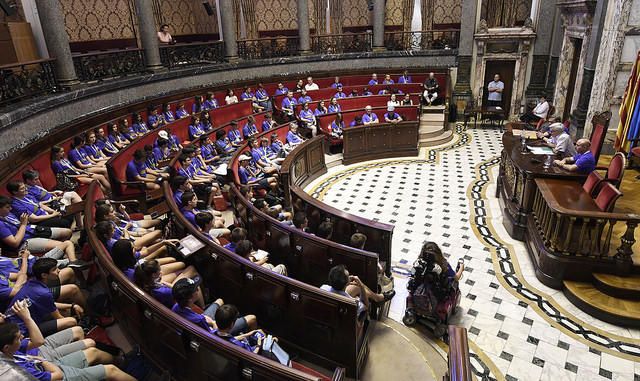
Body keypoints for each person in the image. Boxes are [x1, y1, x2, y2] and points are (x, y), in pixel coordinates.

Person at [7, 258, 82, 337]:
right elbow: (59, 317)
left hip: (13, 323)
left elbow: (49, 304)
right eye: (54, 269)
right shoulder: (43, 293)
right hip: (24, 330)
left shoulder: (31, 282)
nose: (59, 270)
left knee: (65, 310)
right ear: (44, 275)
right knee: (71, 321)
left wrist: (72, 305)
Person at [171, 278, 256, 335]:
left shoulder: (175, 307)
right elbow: (213, 336)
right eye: (196, 290)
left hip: (203, 319)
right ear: (190, 299)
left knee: (220, 301)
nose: (198, 290)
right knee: (252, 318)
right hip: (216, 330)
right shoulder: (199, 320)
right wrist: (213, 323)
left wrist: (204, 318)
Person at [320, 265, 395, 321]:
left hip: (329, 314)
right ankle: (378, 298)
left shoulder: (323, 288)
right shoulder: (353, 302)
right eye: (348, 276)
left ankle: (377, 297)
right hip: (343, 320)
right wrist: (361, 286)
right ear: (347, 283)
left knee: (356, 287)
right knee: (358, 287)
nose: (350, 276)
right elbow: (366, 305)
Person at [134, 258, 201, 308]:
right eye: (159, 270)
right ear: (153, 275)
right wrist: (171, 286)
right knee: (195, 282)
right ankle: (203, 308)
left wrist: (164, 283)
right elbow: (178, 296)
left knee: (182, 270)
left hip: (160, 289)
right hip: (174, 300)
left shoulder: (141, 278)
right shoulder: (164, 292)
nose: (161, 272)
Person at [6, 181, 73, 229]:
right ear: (15, 192)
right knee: (64, 222)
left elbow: (40, 205)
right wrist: (52, 215)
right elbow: (34, 219)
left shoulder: (26, 195)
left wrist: (53, 211)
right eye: (22, 188)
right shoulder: (15, 204)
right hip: (39, 221)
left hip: (45, 213)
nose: (26, 189)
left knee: (68, 213)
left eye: (25, 187)